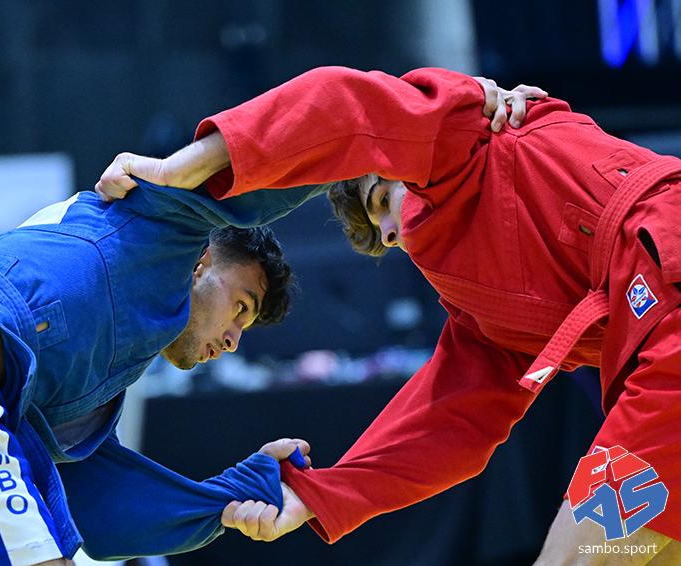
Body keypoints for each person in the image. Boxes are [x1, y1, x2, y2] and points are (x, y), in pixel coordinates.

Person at [95, 66, 681, 564]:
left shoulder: (464, 134)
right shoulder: (487, 311)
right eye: (380, 233)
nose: (392, 232)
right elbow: (450, 418)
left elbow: (342, 104)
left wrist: (185, 170)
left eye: (382, 201)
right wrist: (320, 496)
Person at [0, 176, 322, 564]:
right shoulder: (155, 241)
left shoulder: (97, 354)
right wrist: (356, 156)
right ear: (201, 262)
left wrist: (239, 493)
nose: (233, 340)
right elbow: (258, 172)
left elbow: (99, 507)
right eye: (240, 307)